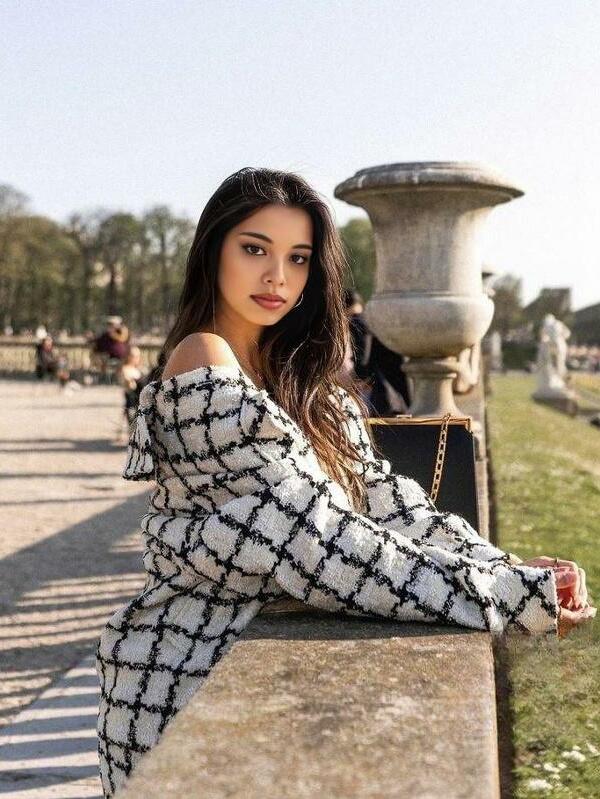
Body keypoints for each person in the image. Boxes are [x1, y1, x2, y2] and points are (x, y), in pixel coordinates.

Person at [95, 167, 595, 797]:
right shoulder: (203, 360)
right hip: (182, 673)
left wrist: (506, 566)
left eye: (297, 258)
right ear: (213, 252)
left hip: (262, 665)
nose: (277, 277)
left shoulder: (308, 384)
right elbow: (313, 541)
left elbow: (390, 504)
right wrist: (507, 596)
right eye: (255, 249)